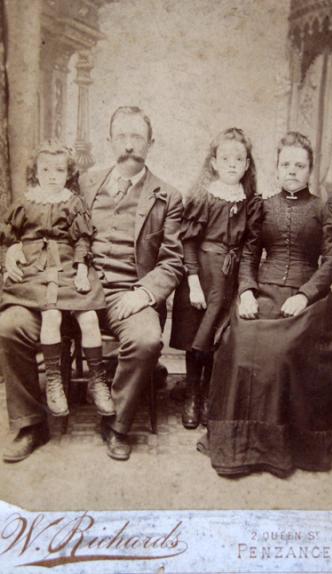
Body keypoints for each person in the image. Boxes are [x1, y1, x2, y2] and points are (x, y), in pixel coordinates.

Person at [1, 106, 184, 462]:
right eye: (121, 136)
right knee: (10, 326)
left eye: (137, 137)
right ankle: (29, 424)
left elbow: (172, 261)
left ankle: (115, 422)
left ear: (151, 142)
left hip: (124, 294)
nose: (129, 145)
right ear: (109, 140)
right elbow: (37, 222)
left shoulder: (168, 196)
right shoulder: (83, 183)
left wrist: (144, 293)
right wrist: (10, 252)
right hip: (66, 287)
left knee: (146, 339)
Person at [204, 131, 332, 477]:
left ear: (310, 169)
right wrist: (247, 291)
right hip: (263, 292)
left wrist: (305, 294)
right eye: (286, 164)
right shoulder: (263, 206)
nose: (292, 171)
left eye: (300, 165)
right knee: (240, 343)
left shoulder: (322, 208)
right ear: (277, 167)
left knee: (281, 350)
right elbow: (250, 253)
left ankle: (283, 447)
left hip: (307, 299)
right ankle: (240, 446)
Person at [1, 141, 113, 424]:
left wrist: (80, 269)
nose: (52, 175)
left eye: (59, 170)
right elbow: (7, 235)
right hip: (35, 270)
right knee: (50, 314)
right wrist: (10, 255)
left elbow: (82, 239)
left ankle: (97, 380)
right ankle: (53, 381)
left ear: (69, 173)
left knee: (88, 317)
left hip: (66, 266)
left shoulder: (73, 202)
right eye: (46, 169)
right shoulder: (26, 202)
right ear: (36, 172)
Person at [170, 128, 261, 429]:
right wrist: (193, 281)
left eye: (239, 159)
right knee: (197, 336)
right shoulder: (203, 198)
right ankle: (192, 395)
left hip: (230, 276)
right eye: (226, 158)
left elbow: (250, 248)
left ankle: (209, 394)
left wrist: (244, 286)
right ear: (214, 163)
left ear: (247, 165)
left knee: (217, 338)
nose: (232, 164)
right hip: (203, 275)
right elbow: (189, 243)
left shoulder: (250, 203)